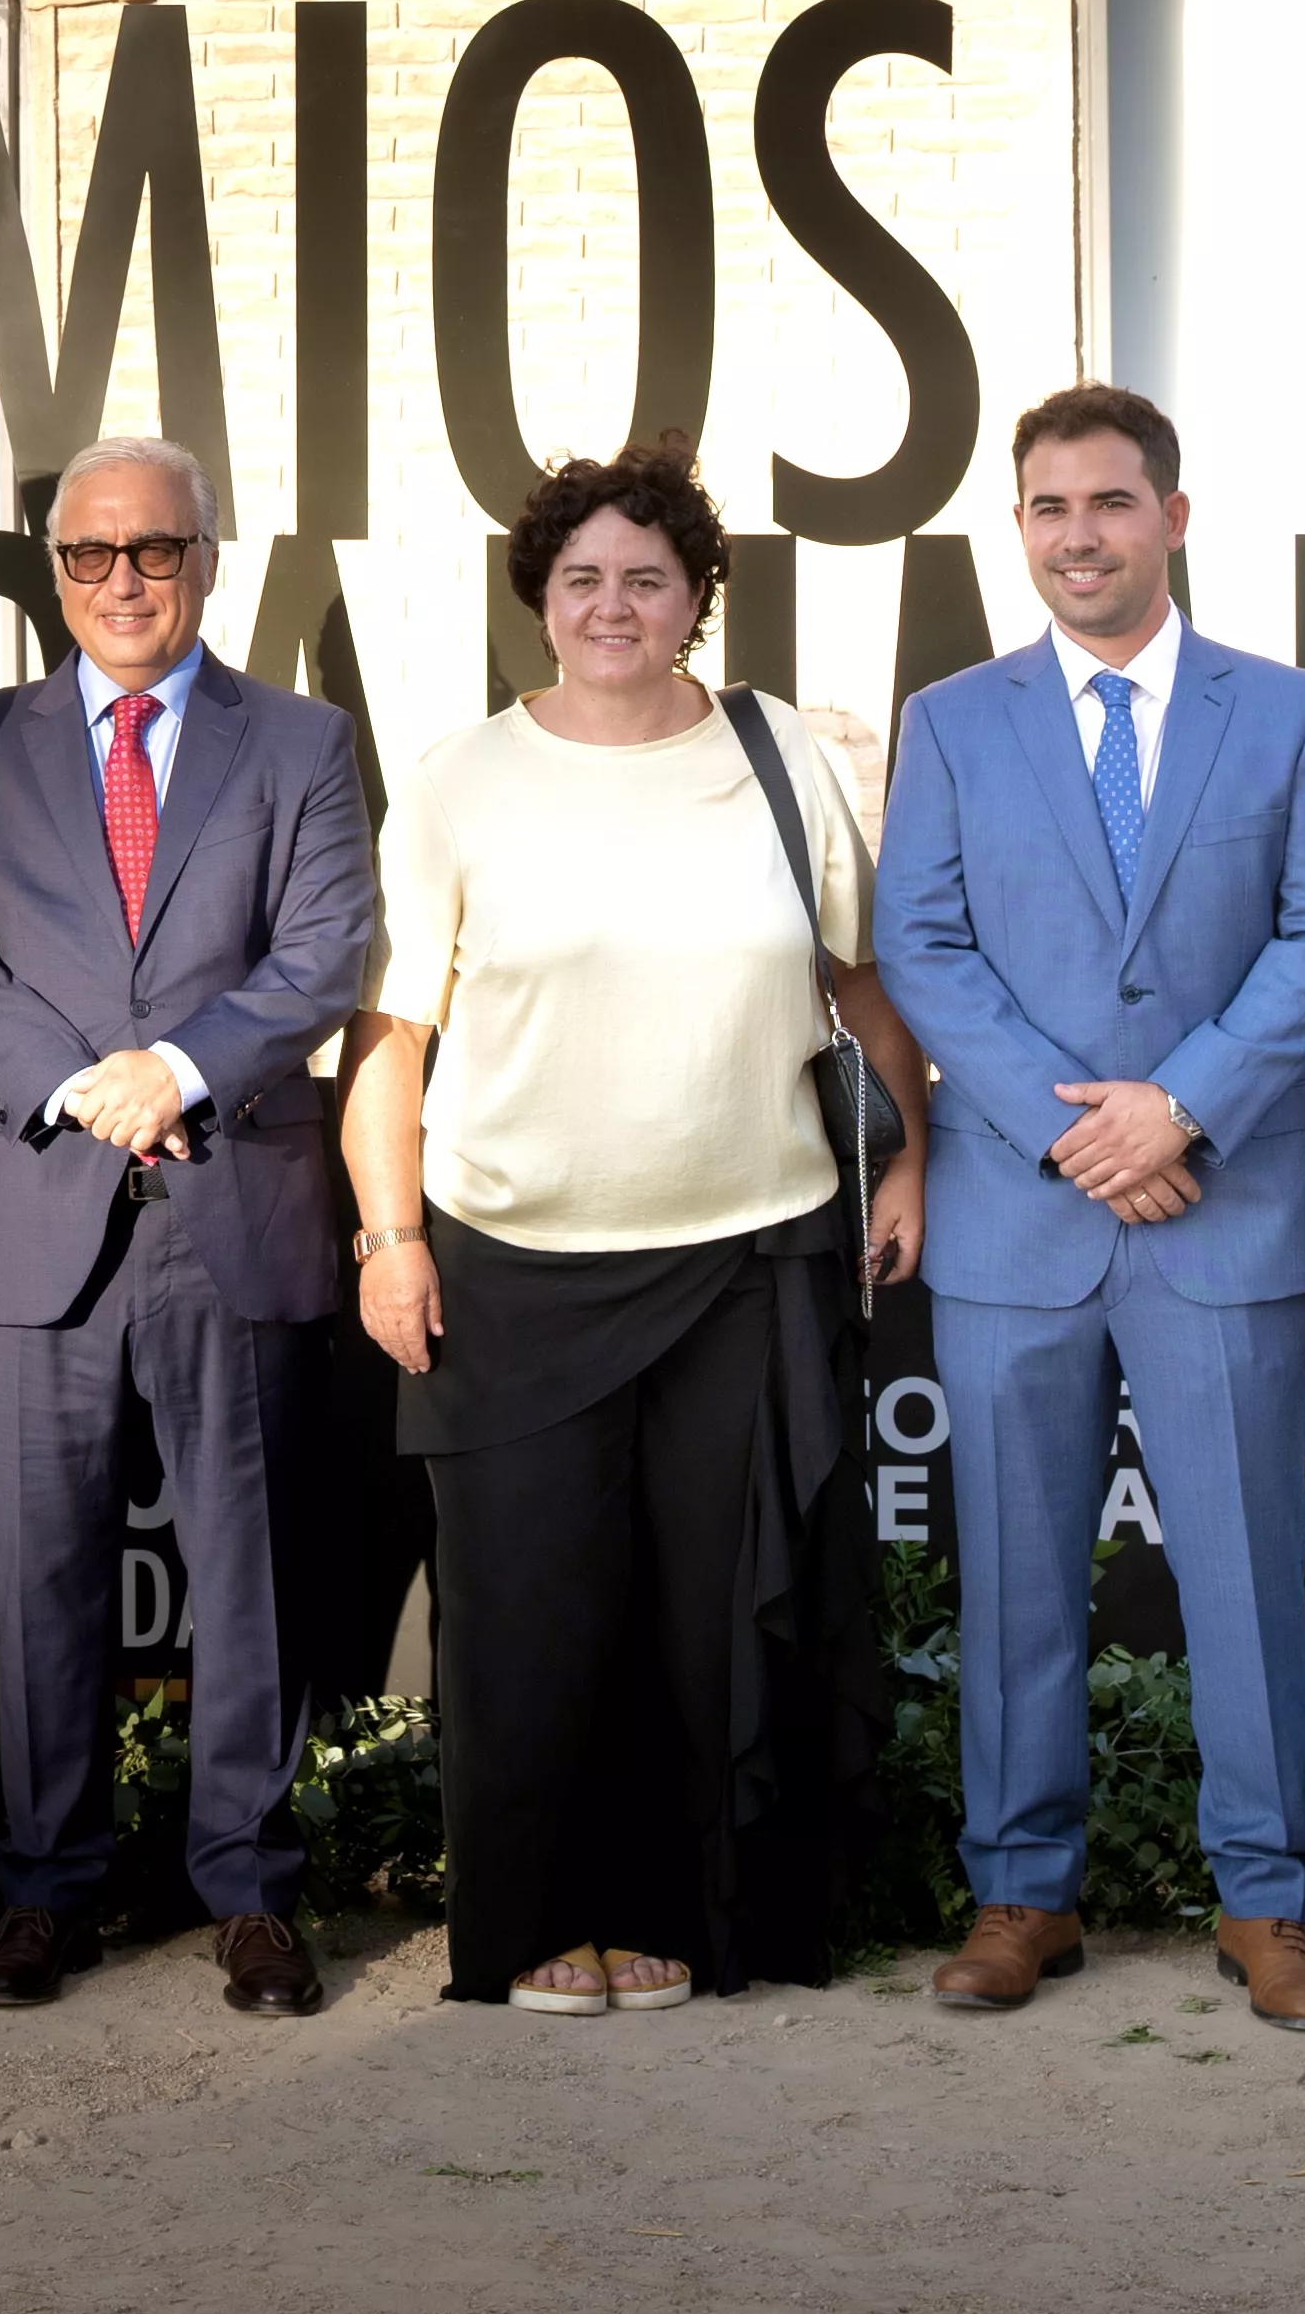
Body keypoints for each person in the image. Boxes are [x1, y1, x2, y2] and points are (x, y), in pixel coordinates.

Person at [347, 451, 929, 2016]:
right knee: (534, 1619)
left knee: (705, 1617)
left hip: (746, 1254)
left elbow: (856, 992)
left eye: (648, 578)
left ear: (694, 599)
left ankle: (694, 1914)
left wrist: (907, 1159)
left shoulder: (780, 754)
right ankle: (546, 1922)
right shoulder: (462, 778)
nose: (614, 605)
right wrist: (388, 1237)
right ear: (541, 595)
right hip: (509, 1265)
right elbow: (394, 1042)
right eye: (584, 577)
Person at [877, 383, 1305, 2033]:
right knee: (1015, 1572)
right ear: (1017, 529)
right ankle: (1025, 1892)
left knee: (1243, 1570)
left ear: (1172, 516)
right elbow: (926, 950)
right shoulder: (952, 719)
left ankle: (1271, 1904)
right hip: (1022, 1220)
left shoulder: (1293, 713)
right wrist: (1069, 1128)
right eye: (1046, 508)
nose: (1077, 535)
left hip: (1222, 1207)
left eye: (1107, 503)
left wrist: (1184, 1107)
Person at [0, 436, 381, 2020]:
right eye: (91, 555)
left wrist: (170, 1070)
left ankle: (246, 1887)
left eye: (155, 551)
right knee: (39, 1576)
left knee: (247, 1573)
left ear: (206, 560)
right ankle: (48, 1890)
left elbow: (322, 956)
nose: (123, 580)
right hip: (42, 1206)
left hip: (232, 1206)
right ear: (55, 574)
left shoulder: (302, 743)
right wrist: (73, 1086)